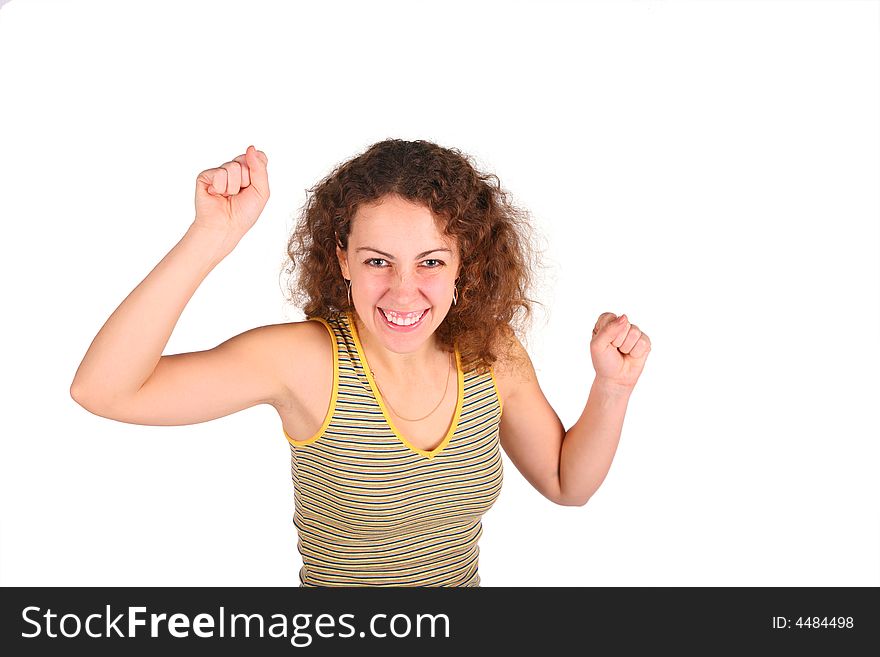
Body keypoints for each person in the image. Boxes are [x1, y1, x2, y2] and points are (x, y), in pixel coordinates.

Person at [70, 139, 652, 587]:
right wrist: (210, 236)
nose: (403, 292)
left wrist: (613, 387)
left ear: (464, 265)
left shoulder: (491, 352)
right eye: (378, 261)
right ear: (343, 259)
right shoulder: (306, 362)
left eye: (429, 262)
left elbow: (565, 482)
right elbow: (105, 391)